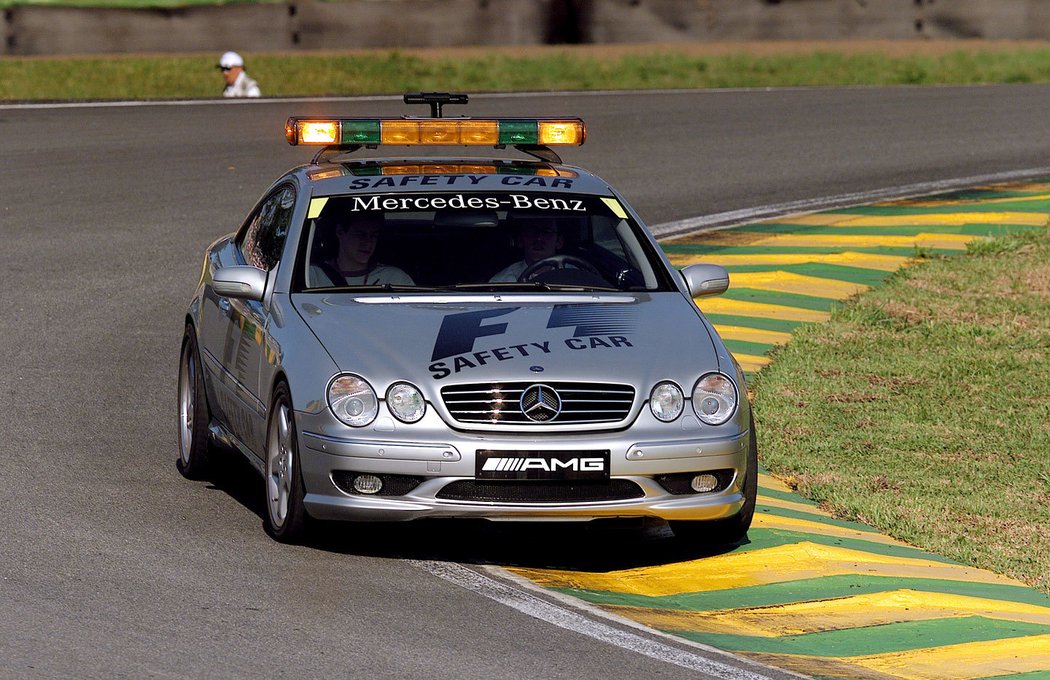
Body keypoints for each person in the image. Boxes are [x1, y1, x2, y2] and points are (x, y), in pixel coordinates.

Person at [309, 214, 414, 287]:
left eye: (373, 236)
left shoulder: (395, 278)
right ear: (340, 232)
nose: (368, 242)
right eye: (360, 235)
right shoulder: (312, 276)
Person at [489, 216, 564, 282]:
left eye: (547, 232)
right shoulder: (502, 282)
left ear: (559, 241)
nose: (539, 238)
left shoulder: (574, 275)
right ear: (520, 240)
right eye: (531, 231)